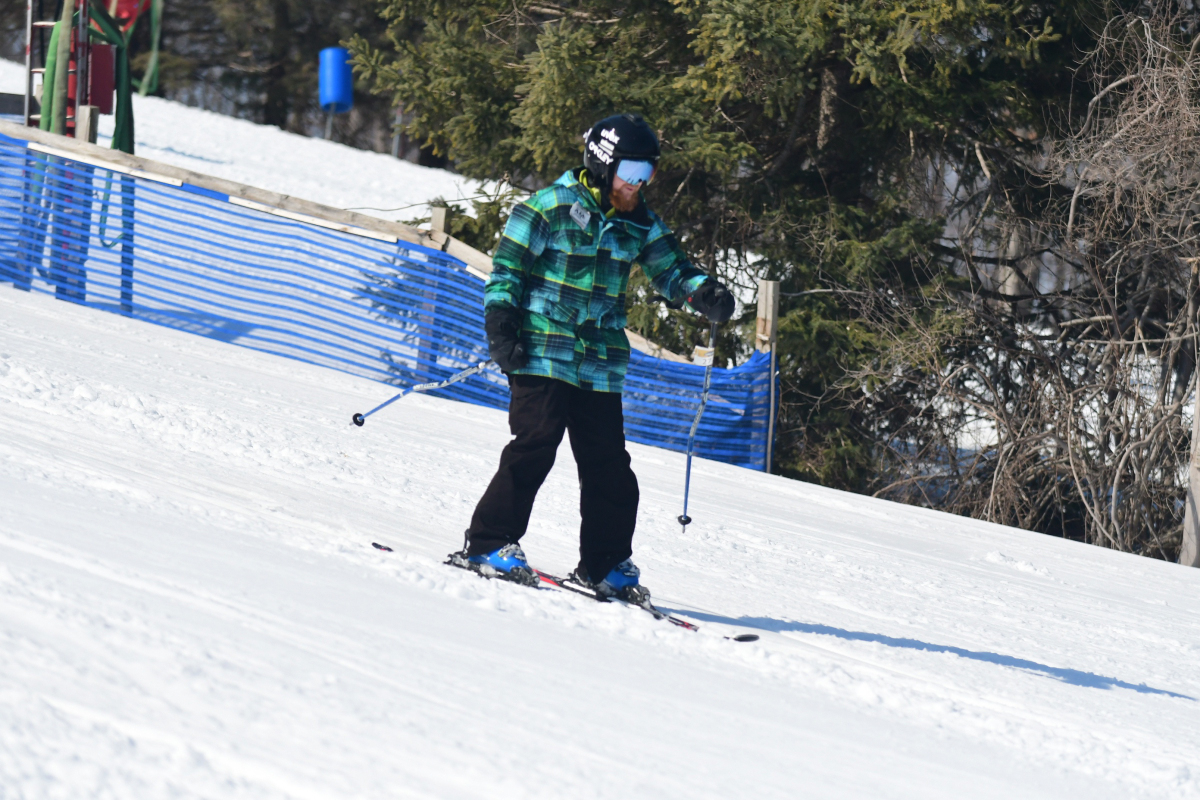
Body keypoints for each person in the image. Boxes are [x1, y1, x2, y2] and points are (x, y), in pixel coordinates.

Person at [450, 113, 734, 603]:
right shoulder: (549, 207)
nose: (637, 184)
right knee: (535, 444)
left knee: (609, 465)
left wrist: (702, 293)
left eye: (647, 173)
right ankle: (489, 543)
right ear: (603, 165)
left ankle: (604, 565)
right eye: (631, 172)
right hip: (542, 347)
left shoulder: (639, 221)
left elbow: (672, 270)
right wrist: (501, 327)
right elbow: (507, 271)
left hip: (599, 358)